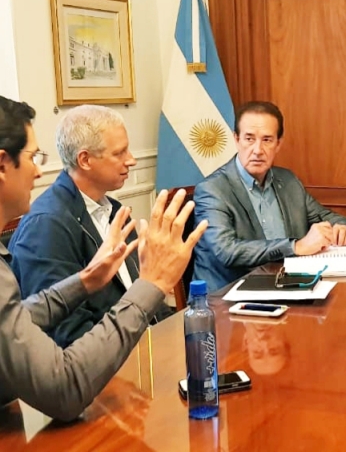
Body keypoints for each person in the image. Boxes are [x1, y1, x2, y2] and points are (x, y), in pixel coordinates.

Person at [0, 95, 207, 421]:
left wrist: (85, 282)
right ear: (2, 164)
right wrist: (151, 285)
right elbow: (64, 383)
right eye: (33, 157)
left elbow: (16, 320)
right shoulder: (46, 224)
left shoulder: (112, 209)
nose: (39, 171)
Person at [9, 105, 172, 348]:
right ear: (85, 160)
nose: (132, 160)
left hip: (145, 347)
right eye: (120, 153)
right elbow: (67, 334)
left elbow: (146, 299)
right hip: (108, 362)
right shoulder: (46, 226)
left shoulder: (115, 210)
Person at [193, 100, 346, 290]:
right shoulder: (212, 189)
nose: (257, 150)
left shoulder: (288, 181)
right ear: (236, 139)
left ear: (278, 144)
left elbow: (327, 217)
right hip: (226, 297)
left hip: (283, 286)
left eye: (267, 140)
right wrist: (296, 247)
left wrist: (343, 228)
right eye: (249, 139)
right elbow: (227, 251)